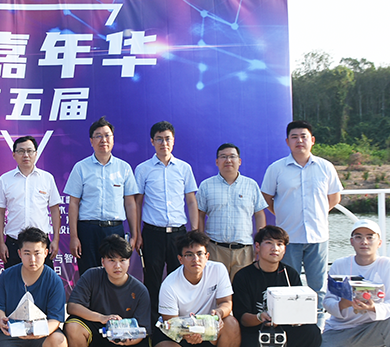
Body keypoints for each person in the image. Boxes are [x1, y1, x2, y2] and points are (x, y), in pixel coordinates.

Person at [261, 120, 342, 326]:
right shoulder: (277, 168)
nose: (299, 141)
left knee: (318, 287)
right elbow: (267, 198)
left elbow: (334, 197)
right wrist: (284, 213)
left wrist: (317, 213)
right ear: (287, 141)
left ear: (312, 140)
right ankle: (291, 328)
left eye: (304, 136)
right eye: (294, 137)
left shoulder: (325, 167)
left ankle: (317, 328)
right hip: (288, 238)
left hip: (318, 237)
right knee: (288, 287)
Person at [152, 230, 244, 347]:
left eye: (200, 254)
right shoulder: (169, 284)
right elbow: (170, 323)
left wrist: (219, 313)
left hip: (209, 329)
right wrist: (188, 334)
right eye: (189, 255)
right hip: (177, 333)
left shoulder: (218, 270)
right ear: (180, 259)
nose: (196, 259)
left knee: (231, 323)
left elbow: (226, 302)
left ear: (207, 256)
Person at [232, 226, 321, 347]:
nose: (275, 248)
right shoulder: (243, 276)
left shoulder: (290, 274)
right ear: (257, 247)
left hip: (285, 328)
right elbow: (242, 317)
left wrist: (295, 318)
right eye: (269, 243)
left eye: (280, 244)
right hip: (254, 329)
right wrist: (260, 317)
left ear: (285, 249)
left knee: (312, 332)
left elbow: (299, 308)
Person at [65, 235, 154, 347]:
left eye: (122, 260)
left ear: (129, 261)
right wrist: (102, 318)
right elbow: (72, 306)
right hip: (97, 332)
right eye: (111, 260)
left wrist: (127, 340)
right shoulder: (91, 276)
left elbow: (143, 329)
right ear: (103, 261)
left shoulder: (140, 290)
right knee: (72, 326)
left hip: (125, 337)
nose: (117, 266)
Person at [0, 227, 68, 347]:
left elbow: (55, 319)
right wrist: (1, 320)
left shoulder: (54, 280)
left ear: (46, 252)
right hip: (12, 333)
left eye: (37, 253)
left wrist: (39, 332)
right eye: (27, 253)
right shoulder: (7, 276)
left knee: (60, 342)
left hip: (41, 335)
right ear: (19, 253)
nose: (32, 259)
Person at [133, 121, 198, 326]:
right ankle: (152, 324)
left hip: (179, 234)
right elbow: (137, 202)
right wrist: (137, 233)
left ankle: (179, 323)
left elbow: (191, 201)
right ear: (152, 141)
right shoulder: (143, 169)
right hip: (153, 233)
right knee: (152, 280)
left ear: (173, 141)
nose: (164, 143)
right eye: (159, 139)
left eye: (167, 139)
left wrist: (195, 232)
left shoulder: (184, 168)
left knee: (180, 278)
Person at [65, 117, 140, 275]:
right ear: (91, 141)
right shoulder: (81, 168)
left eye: (107, 135)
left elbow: (130, 203)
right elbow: (73, 203)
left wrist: (134, 234)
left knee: (114, 274)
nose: (103, 140)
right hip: (88, 230)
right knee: (89, 274)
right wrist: (74, 237)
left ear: (113, 139)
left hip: (114, 230)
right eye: (98, 136)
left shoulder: (124, 168)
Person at [196, 143, 268, 281]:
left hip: (244, 251)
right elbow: (199, 215)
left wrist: (261, 242)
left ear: (239, 161)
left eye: (232, 156)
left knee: (242, 289)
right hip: (215, 249)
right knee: (215, 287)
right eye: (223, 157)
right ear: (217, 162)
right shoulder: (206, 185)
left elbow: (259, 214)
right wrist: (201, 243)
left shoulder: (251, 185)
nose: (228, 160)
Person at [0, 136, 62, 269]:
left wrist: (56, 240)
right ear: (14, 155)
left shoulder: (47, 178)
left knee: (43, 280)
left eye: (29, 151)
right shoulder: (5, 179)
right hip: (14, 243)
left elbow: (54, 210)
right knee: (14, 280)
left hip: (41, 243)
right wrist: (1, 243)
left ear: (36, 153)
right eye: (21, 151)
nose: (26, 155)